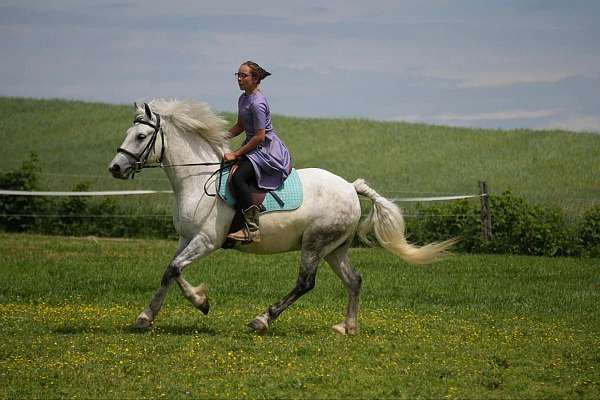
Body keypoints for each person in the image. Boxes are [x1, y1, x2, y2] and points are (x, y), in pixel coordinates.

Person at [224, 61, 291, 243]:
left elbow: (260, 136)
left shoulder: (257, 103)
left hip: (266, 151)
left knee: (239, 177)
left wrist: (236, 154)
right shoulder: (243, 98)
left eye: (243, 75)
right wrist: (221, 137)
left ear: (254, 79)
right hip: (254, 146)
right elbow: (240, 126)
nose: (239, 78)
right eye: (237, 74)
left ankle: (251, 229)